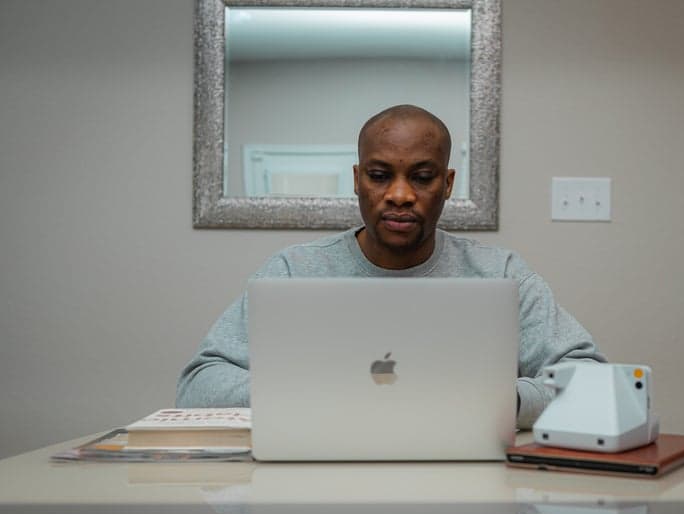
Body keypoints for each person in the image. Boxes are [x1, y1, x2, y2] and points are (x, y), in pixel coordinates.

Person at [177, 105, 605, 428]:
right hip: (319, 479)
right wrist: (311, 395)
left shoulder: (502, 275)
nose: (400, 195)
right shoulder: (293, 271)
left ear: (447, 184)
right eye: (380, 175)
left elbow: (591, 382)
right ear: (357, 179)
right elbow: (199, 386)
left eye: (422, 177)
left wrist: (500, 400)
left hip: (465, 483)